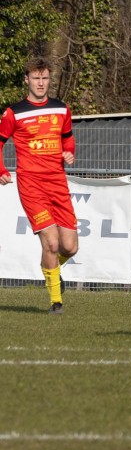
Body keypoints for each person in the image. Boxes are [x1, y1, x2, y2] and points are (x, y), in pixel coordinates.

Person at [0, 57, 78, 313]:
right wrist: (1, 169)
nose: (41, 83)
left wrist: (69, 153)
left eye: (44, 78)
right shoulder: (14, 112)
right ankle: (56, 302)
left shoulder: (61, 109)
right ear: (27, 80)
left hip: (58, 182)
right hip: (31, 184)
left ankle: (51, 267)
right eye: (36, 78)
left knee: (70, 246)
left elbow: (68, 140)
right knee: (52, 243)